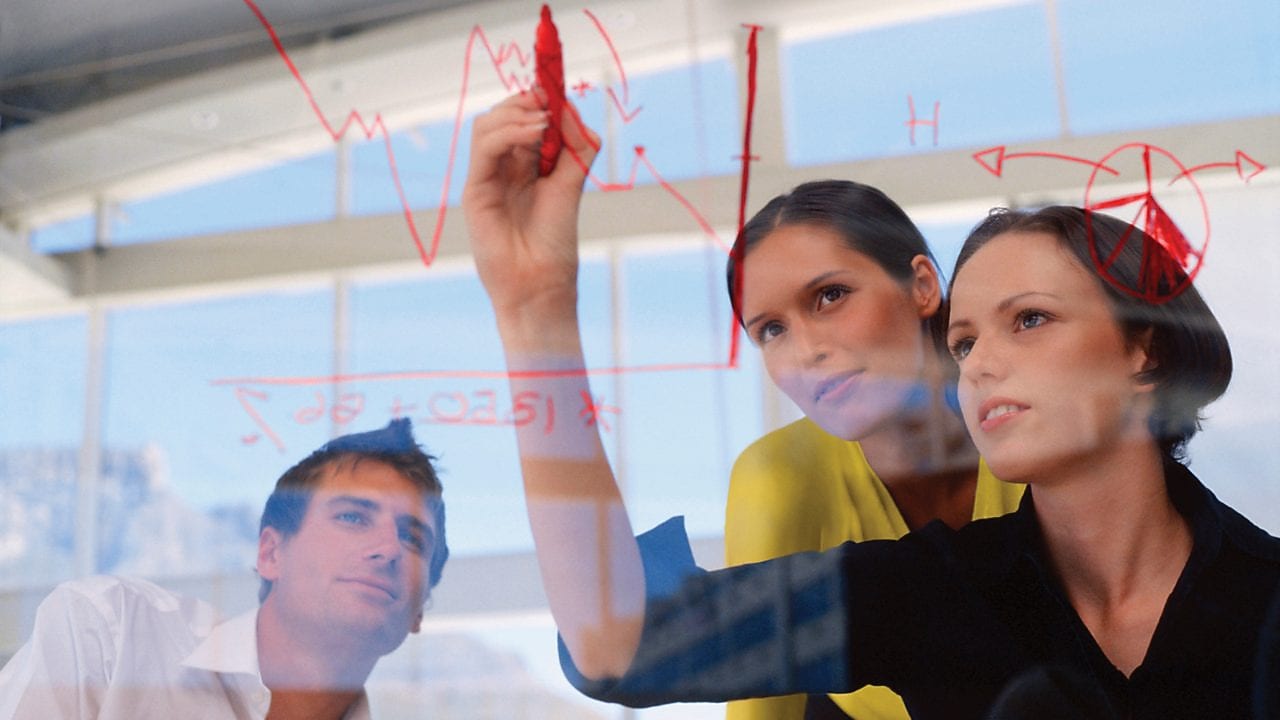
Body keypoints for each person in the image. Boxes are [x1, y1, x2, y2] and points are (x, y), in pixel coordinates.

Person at [461, 88, 1280, 719]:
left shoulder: (1266, 596)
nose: (982, 362)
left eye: (1029, 319)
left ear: (1145, 349)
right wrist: (535, 314)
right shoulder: (933, 588)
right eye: (963, 344)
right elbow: (618, 643)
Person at [724, 180, 1023, 719]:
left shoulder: (1031, 424)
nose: (807, 350)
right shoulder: (777, 479)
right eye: (771, 330)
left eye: (830, 295)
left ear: (923, 286)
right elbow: (760, 707)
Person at [0, 418, 448, 720]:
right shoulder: (110, 634)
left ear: (419, 612)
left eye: (414, 539)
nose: (388, 548)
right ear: (271, 553)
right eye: (353, 517)